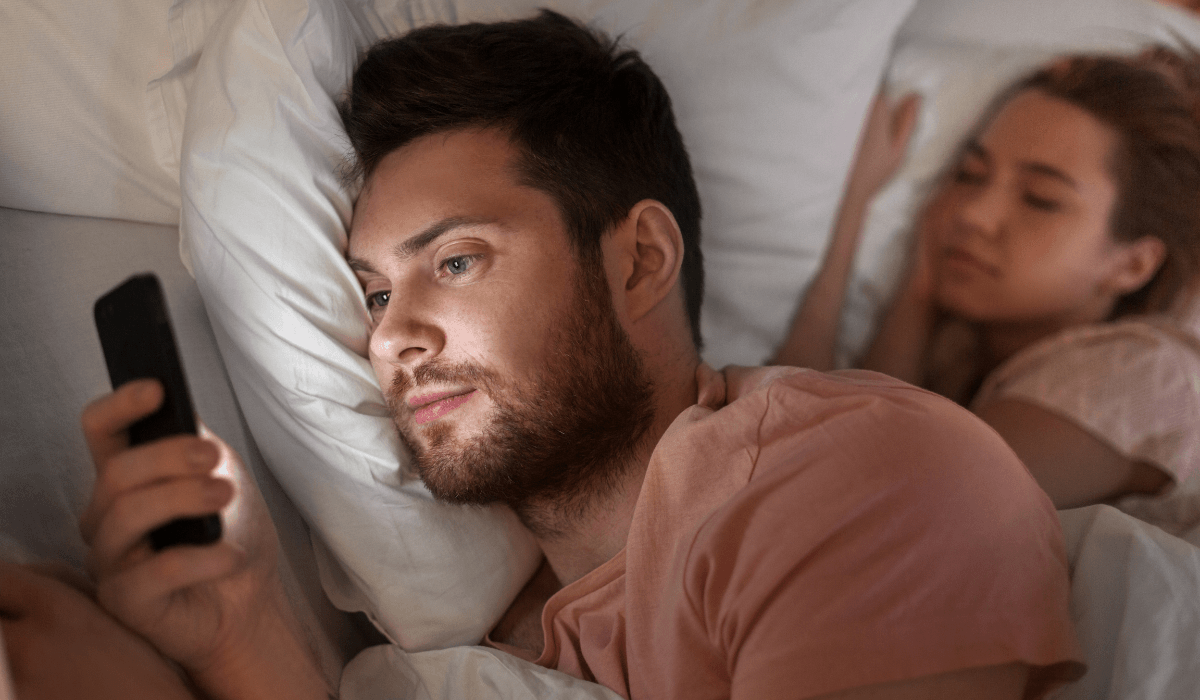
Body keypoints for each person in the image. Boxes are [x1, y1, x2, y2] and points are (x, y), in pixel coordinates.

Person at [2, 11, 1084, 700]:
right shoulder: (508, 656)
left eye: (458, 263)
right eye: (373, 291)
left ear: (640, 259)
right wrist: (234, 624)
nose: (389, 336)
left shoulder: (850, 481)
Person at [776, 48, 1200, 528]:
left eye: (1040, 200)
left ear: (1133, 264)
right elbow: (864, 437)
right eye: (970, 175)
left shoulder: (1143, 376)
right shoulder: (968, 356)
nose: (972, 214)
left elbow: (843, 500)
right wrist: (920, 291)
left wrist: (849, 210)